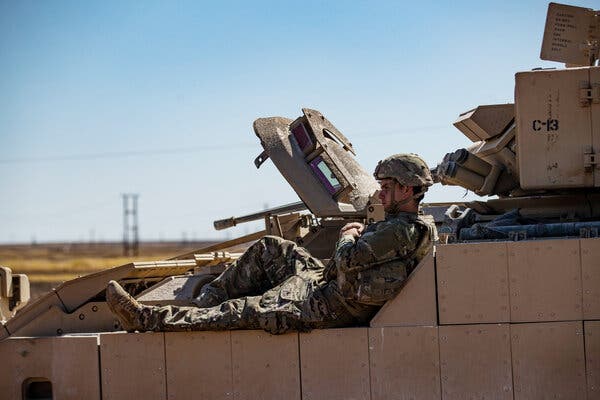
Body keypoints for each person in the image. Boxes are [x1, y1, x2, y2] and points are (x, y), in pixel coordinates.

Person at [106, 153, 436, 334]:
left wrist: (348, 234)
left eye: (386, 186)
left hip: (325, 307)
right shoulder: (406, 226)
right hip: (324, 285)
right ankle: (208, 303)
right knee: (271, 248)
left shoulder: (400, 231)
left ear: (407, 190)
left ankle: (147, 320)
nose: (380, 193)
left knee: (244, 310)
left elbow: (349, 259)